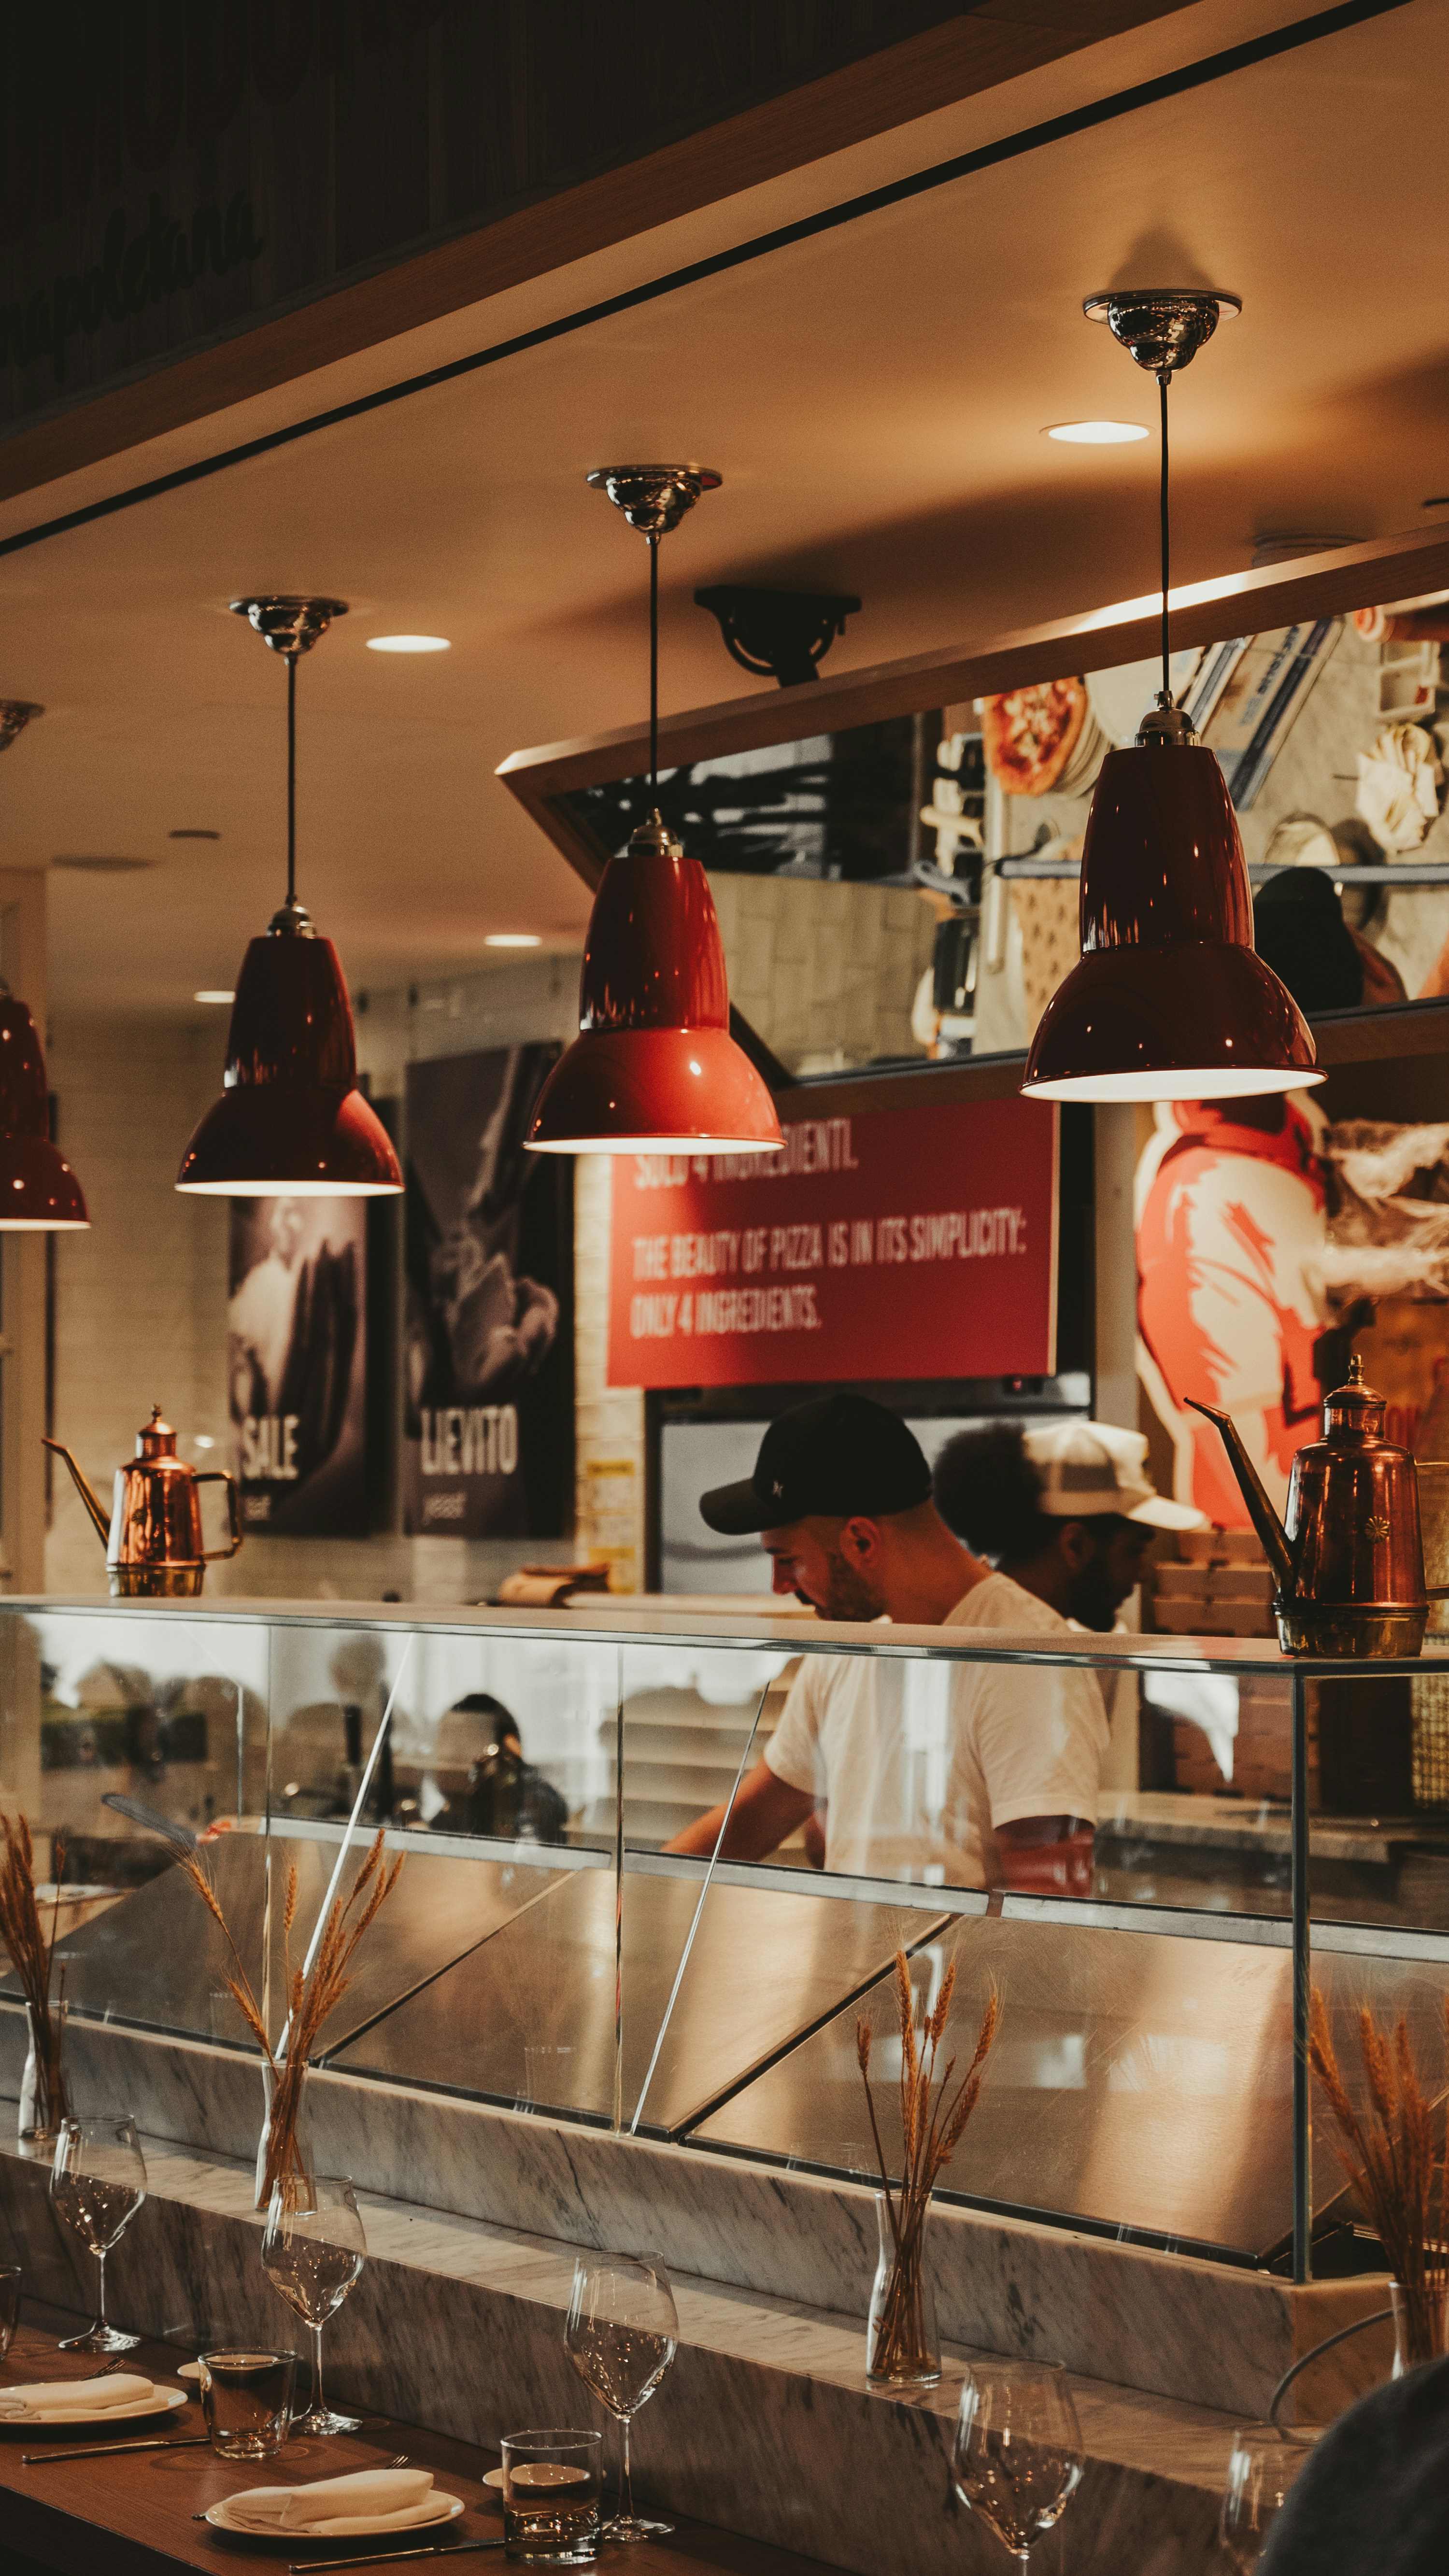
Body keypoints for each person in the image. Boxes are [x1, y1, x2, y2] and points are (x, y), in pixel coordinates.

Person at [664, 1393, 1109, 1894]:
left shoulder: (1028, 1663)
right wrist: (636, 1892)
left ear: (861, 1541)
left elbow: (1049, 1902)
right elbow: (754, 1818)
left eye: (788, 1560)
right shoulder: (851, 1645)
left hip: (954, 1953)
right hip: (855, 1948)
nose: (780, 1585)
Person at [931, 1419, 1204, 1630]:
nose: (1142, 1574)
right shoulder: (1042, 1658)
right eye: (1134, 1551)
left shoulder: (967, 1622)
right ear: (1075, 1546)